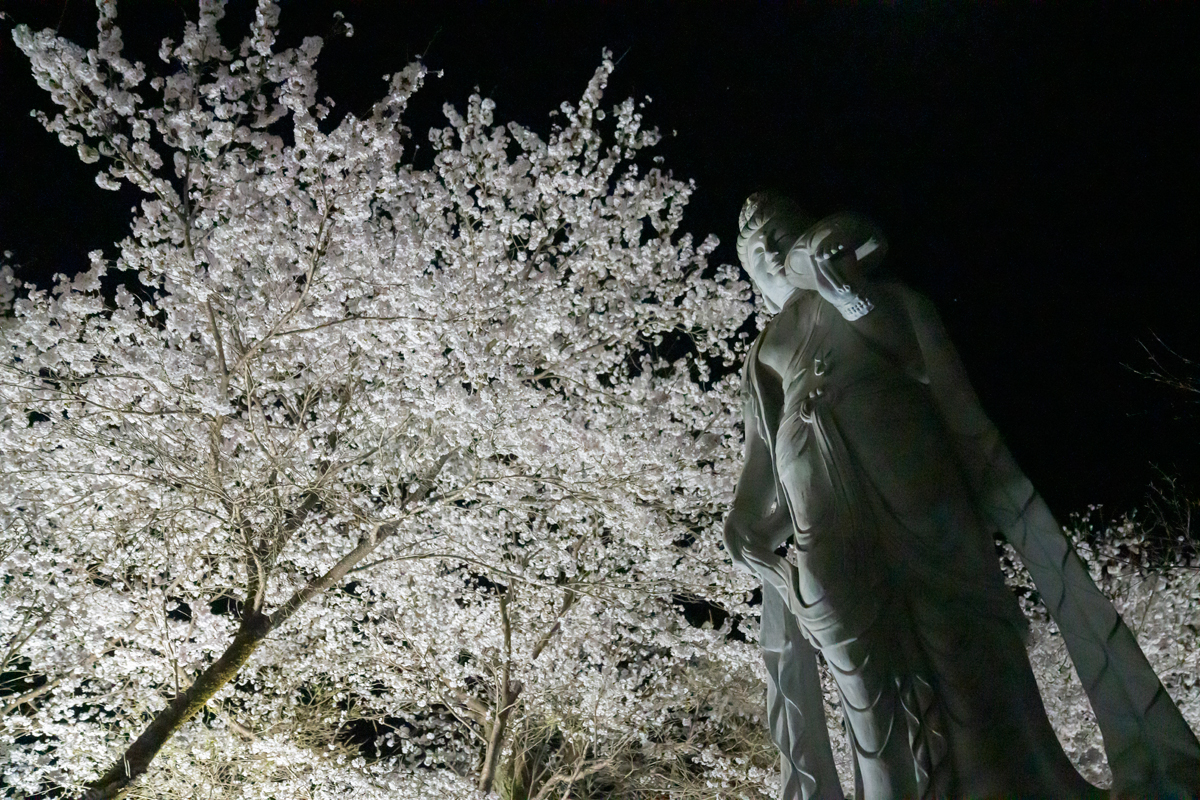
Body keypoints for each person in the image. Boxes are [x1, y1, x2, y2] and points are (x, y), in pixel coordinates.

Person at [724, 191, 1200, 799]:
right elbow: (762, 455)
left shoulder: (879, 297)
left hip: (917, 489)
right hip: (823, 520)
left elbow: (920, 360)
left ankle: (1008, 784)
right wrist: (742, 517)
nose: (769, 251)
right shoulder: (763, 354)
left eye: (779, 236)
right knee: (862, 672)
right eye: (755, 253)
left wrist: (852, 296)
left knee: (965, 642)